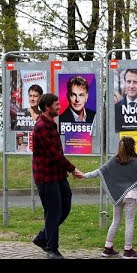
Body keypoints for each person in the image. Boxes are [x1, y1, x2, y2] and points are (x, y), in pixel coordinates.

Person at [79, 136, 137, 259]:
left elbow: (99, 172)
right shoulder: (136, 162)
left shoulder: (114, 160)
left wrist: (84, 175)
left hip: (117, 195)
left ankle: (108, 248)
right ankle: (128, 250)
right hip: (130, 195)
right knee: (129, 222)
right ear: (132, 147)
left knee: (116, 221)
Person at [31, 93, 83, 259]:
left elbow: (57, 154)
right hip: (46, 177)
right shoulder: (41, 127)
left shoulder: (51, 124)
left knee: (66, 205)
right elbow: (54, 155)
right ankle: (51, 249)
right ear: (47, 107)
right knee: (53, 212)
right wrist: (73, 169)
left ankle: (42, 237)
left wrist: (66, 170)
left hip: (58, 175)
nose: (59, 107)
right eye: (56, 105)